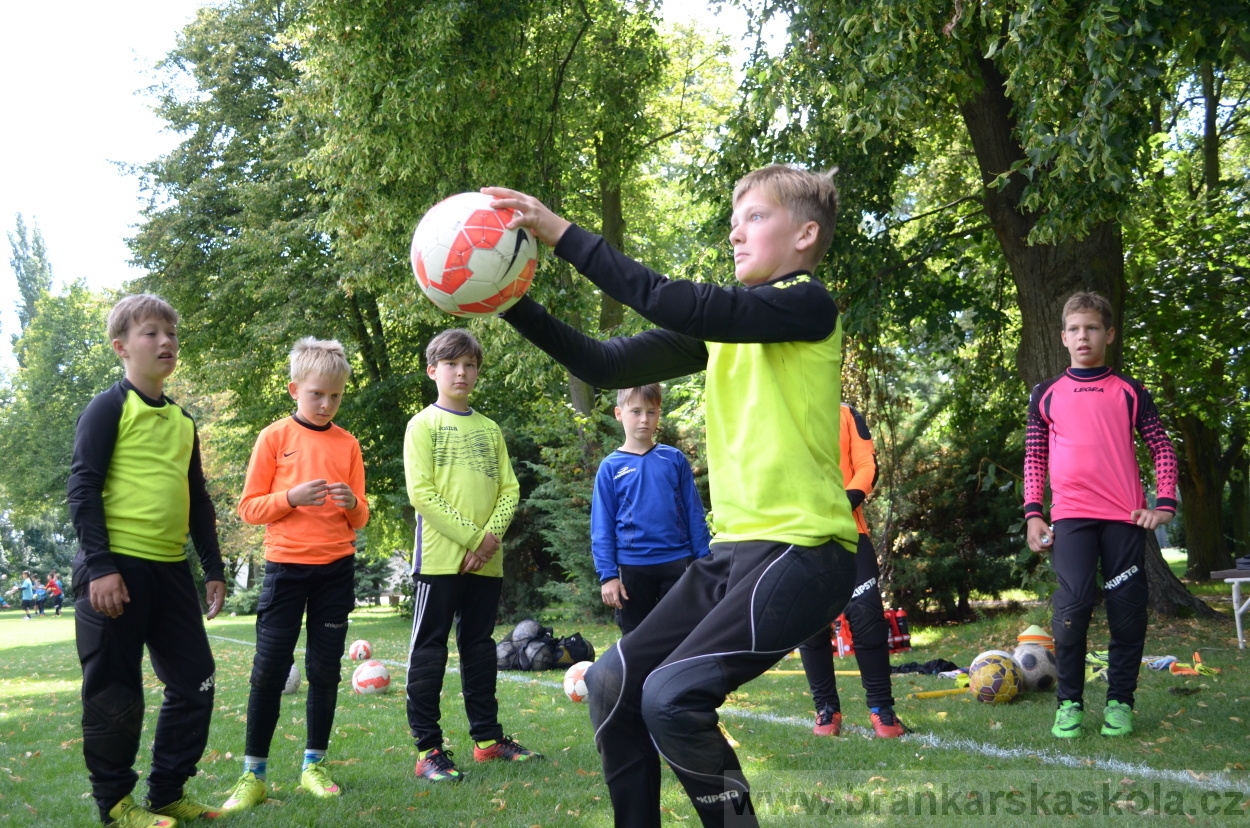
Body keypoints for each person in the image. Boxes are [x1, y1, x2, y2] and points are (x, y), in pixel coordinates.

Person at [485, 163, 859, 827]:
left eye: (755, 217)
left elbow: (672, 299)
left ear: (805, 235)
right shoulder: (723, 332)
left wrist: (561, 234)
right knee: (611, 683)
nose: (736, 234)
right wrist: (504, 297)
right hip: (735, 556)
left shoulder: (808, 304)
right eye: (733, 221)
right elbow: (602, 365)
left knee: (672, 696)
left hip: (805, 551)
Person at [66, 293, 227, 827]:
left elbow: (197, 499)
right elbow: (83, 487)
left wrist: (214, 568)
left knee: (196, 680)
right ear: (121, 347)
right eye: (151, 333)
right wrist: (101, 567)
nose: (166, 342)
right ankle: (115, 805)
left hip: (169, 571)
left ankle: (167, 791)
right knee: (116, 691)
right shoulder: (108, 407)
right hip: (116, 570)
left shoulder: (183, 420)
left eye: (172, 333)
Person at [220, 337, 370, 812]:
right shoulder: (274, 438)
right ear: (294, 390)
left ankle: (314, 765)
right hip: (285, 569)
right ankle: (253, 775)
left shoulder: (348, 444)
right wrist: (290, 498)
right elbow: (248, 508)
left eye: (336, 396)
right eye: (317, 394)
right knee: (267, 672)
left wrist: (353, 506)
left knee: (324, 671)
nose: (326, 404)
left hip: (335, 571)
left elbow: (362, 514)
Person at [1023, 291, 1178, 739]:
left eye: (1091, 328)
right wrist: (1035, 514)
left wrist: (1164, 504)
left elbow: (1162, 447)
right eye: (1074, 329)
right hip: (1071, 517)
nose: (1082, 336)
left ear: (1108, 334)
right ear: (1063, 337)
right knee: (1070, 612)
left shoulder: (1130, 391)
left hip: (1124, 518)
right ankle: (1069, 702)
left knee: (1128, 615)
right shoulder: (1046, 395)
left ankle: (1120, 703)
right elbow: (1034, 457)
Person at [404, 328, 538, 783]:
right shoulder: (422, 425)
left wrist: (489, 541)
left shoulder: (490, 428)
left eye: (470, 365)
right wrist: (471, 540)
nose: (461, 372)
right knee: (429, 652)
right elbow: (421, 495)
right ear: (433, 371)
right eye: (451, 364)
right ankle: (429, 751)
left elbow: (510, 489)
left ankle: (487, 741)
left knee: (479, 651)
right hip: (439, 561)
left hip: (487, 562)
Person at [797, 403, 904, 738]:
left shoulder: (845, 413)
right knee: (810, 625)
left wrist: (840, 505)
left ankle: (882, 709)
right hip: (799, 533)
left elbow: (866, 466)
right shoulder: (782, 411)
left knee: (868, 618)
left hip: (850, 531)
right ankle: (826, 710)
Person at [593, 384, 711, 635]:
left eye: (652, 412)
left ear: (659, 413)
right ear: (618, 413)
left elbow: (693, 513)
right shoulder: (610, 467)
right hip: (632, 569)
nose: (644, 419)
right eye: (635, 411)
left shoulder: (674, 459)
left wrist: (704, 562)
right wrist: (608, 575)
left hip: (678, 563)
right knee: (636, 641)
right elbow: (601, 526)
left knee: (683, 639)